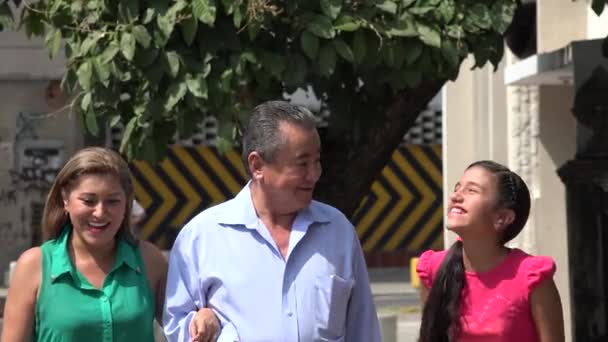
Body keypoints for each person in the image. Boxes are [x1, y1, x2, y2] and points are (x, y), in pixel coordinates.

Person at [163, 101, 382, 341]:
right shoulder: (201, 237)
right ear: (257, 165)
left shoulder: (338, 231)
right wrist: (207, 327)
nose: (314, 174)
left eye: (317, 161)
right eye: (302, 164)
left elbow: (364, 329)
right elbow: (176, 327)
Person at [1, 147, 219, 342]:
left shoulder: (149, 260)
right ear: (65, 200)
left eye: (112, 201)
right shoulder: (35, 265)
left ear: (127, 204)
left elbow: (183, 326)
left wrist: (205, 316)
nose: (100, 212)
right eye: (88, 200)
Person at [416, 161, 565, 342]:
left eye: (471, 191)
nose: (456, 196)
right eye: (457, 188)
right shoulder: (432, 268)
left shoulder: (532, 276)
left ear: (502, 218)